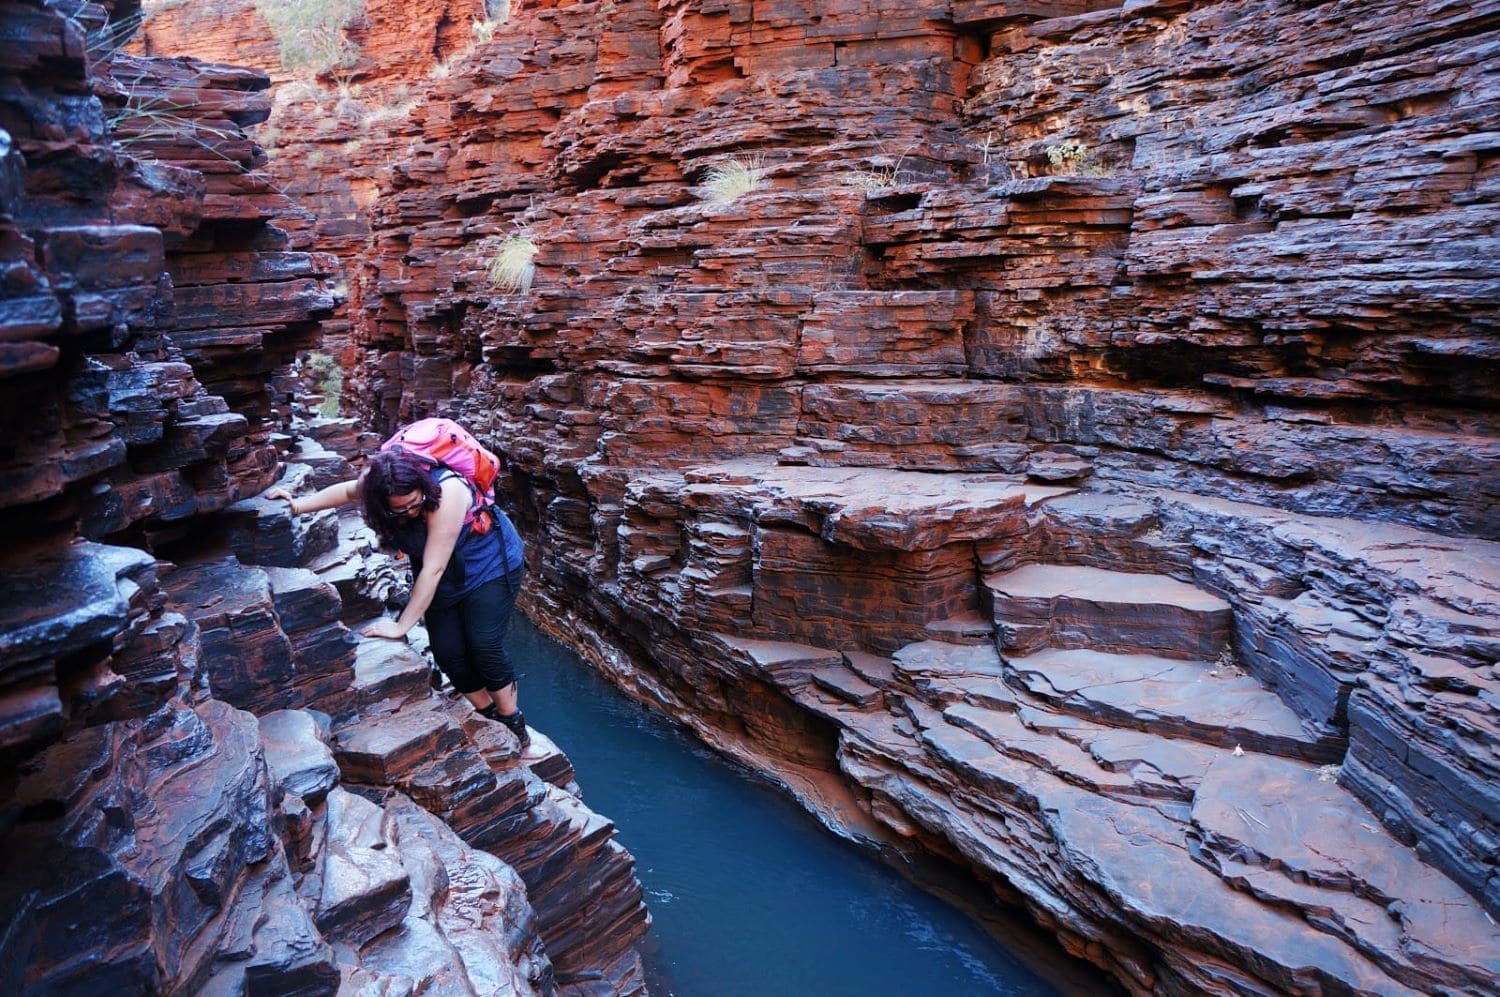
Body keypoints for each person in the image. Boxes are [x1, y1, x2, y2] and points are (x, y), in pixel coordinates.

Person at [266, 446, 531, 749]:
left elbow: (434, 569)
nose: (410, 513)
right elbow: (347, 491)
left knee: (483, 643)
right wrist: (298, 506)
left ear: (423, 488)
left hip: (488, 565)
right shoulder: (378, 485)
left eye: (414, 504)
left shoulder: (449, 490)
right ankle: (487, 713)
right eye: (399, 510)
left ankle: (512, 721)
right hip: (442, 574)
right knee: (448, 653)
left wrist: (401, 626)